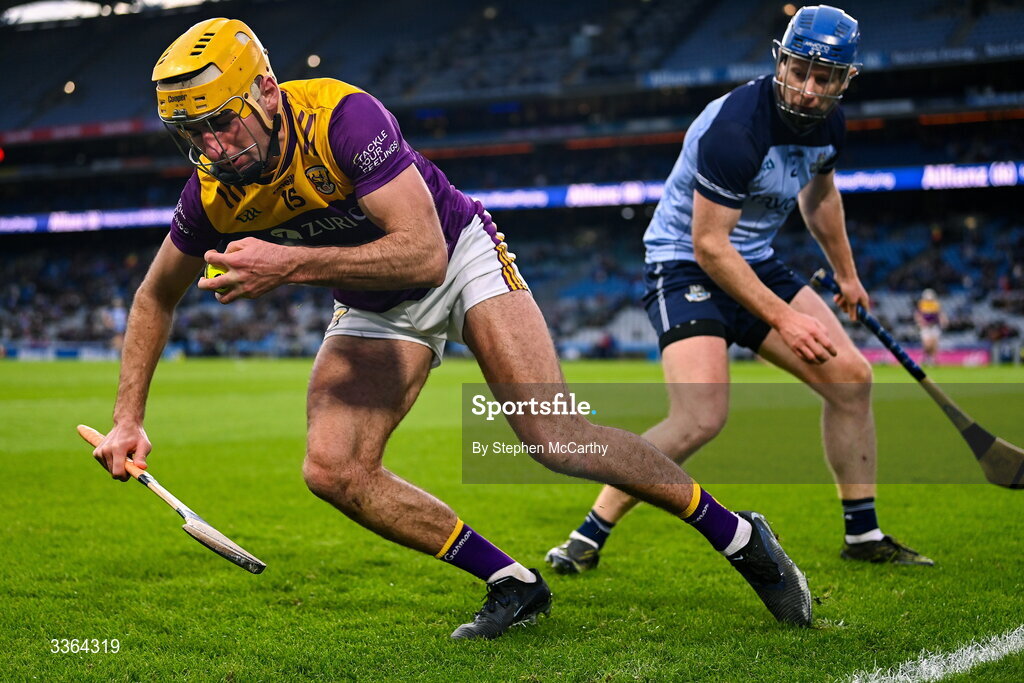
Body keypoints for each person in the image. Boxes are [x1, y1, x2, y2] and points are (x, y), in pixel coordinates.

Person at [90, 17, 813, 639]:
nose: (214, 146)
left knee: (554, 437)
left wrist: (289, 262)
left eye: (222, 121)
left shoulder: (345, 118)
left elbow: (424, 249)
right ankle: (512, 582)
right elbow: (156, 295)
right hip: (375, 301)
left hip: (456, 254)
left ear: (267, 93)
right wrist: (128, 418)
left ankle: (741, 536)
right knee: (333, 468)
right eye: (194, 132)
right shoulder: (213, 194)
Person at [546, 5, 934, 576]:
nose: (806, 89)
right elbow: (709, 247)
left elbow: (819, 198)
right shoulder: (736, 128)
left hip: (754, 259)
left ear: (846, 80)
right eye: (798, 69)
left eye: (824, 77)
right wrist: (784, 319)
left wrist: (847, 274)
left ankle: (863, 533)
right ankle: (590, 530)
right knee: (699, 417)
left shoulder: (829, 125)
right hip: (684, 264)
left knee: (851, 380)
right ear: (780, 59)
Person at [914, 288, 947, 365]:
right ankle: (926, 358)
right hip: (926, 327)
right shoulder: (922, 304)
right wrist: (921, 322)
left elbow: (940, 314)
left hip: (934, 326)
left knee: (934, 343)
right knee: (927, 344)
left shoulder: (936, 304)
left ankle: (933, 359)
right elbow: (918, 315)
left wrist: (943, 321)